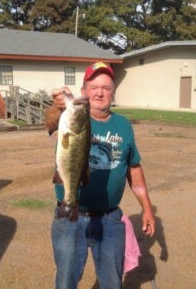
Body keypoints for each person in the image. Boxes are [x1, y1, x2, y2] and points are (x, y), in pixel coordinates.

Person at [50, 62, 155, 289]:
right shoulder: (69, 117)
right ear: (84, 91)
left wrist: (146, 208)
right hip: (69, 218)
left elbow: (134, 169)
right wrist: (59, 103)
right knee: (65, 282)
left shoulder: (123, 125)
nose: (100, 92)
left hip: (109, 219)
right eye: (94, 87)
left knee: (112, 283)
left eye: (106, 88)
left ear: (113, 92)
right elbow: (51, 122)